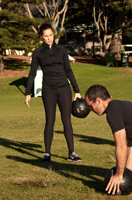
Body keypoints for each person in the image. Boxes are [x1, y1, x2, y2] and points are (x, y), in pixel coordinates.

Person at [25, 23, 82, 163]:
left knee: (66, 121)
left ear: (53, 35)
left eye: (51, 35)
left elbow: (69, 70)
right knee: (50, 121)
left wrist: (77, 90)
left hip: (64, 89)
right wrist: (27, 93)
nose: (49, 38)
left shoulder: (61, 50)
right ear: (41, 37)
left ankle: (72, 153)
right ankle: (47, 154)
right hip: (48, 89)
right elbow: (32, 73)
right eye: (46, 36)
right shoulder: (38, 53)